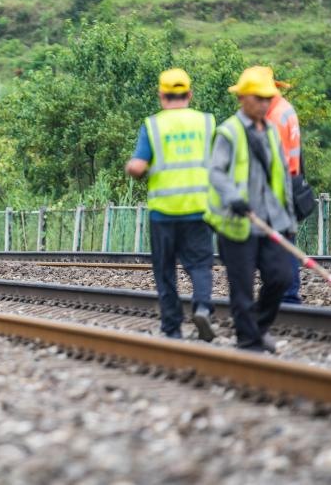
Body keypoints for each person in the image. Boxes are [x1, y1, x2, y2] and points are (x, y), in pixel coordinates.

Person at [204, 66, 296, 352]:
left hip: (270, 219)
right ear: (243, 98)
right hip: (238, 222)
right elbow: (215, 172)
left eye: (269, 98)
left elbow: (282, 175)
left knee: (280, 277)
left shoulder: (270, 130)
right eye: (260, 98)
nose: (266, 103)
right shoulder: (228, 132)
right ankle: (248, 342)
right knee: (241, 287)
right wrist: (234, 197)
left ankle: (257, 328)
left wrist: (289, 217)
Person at [125, 68, 217, 341]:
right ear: (189, 94)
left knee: (165, 272)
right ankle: (202, 306)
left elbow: (138, 166)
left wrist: (134, 168)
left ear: (161, 96)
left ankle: (172, 328)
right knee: (200, 265)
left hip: (163, 213)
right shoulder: (207, 123)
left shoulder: (153, 125)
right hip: (199, 208)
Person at [265, 74, 304, 304]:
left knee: (279, 241)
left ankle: (287, 295)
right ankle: (285, 292)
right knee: (283, 239)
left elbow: (273, 159)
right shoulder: (285, 109)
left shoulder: (275, 117)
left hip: (279, 185)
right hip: (290, 181)